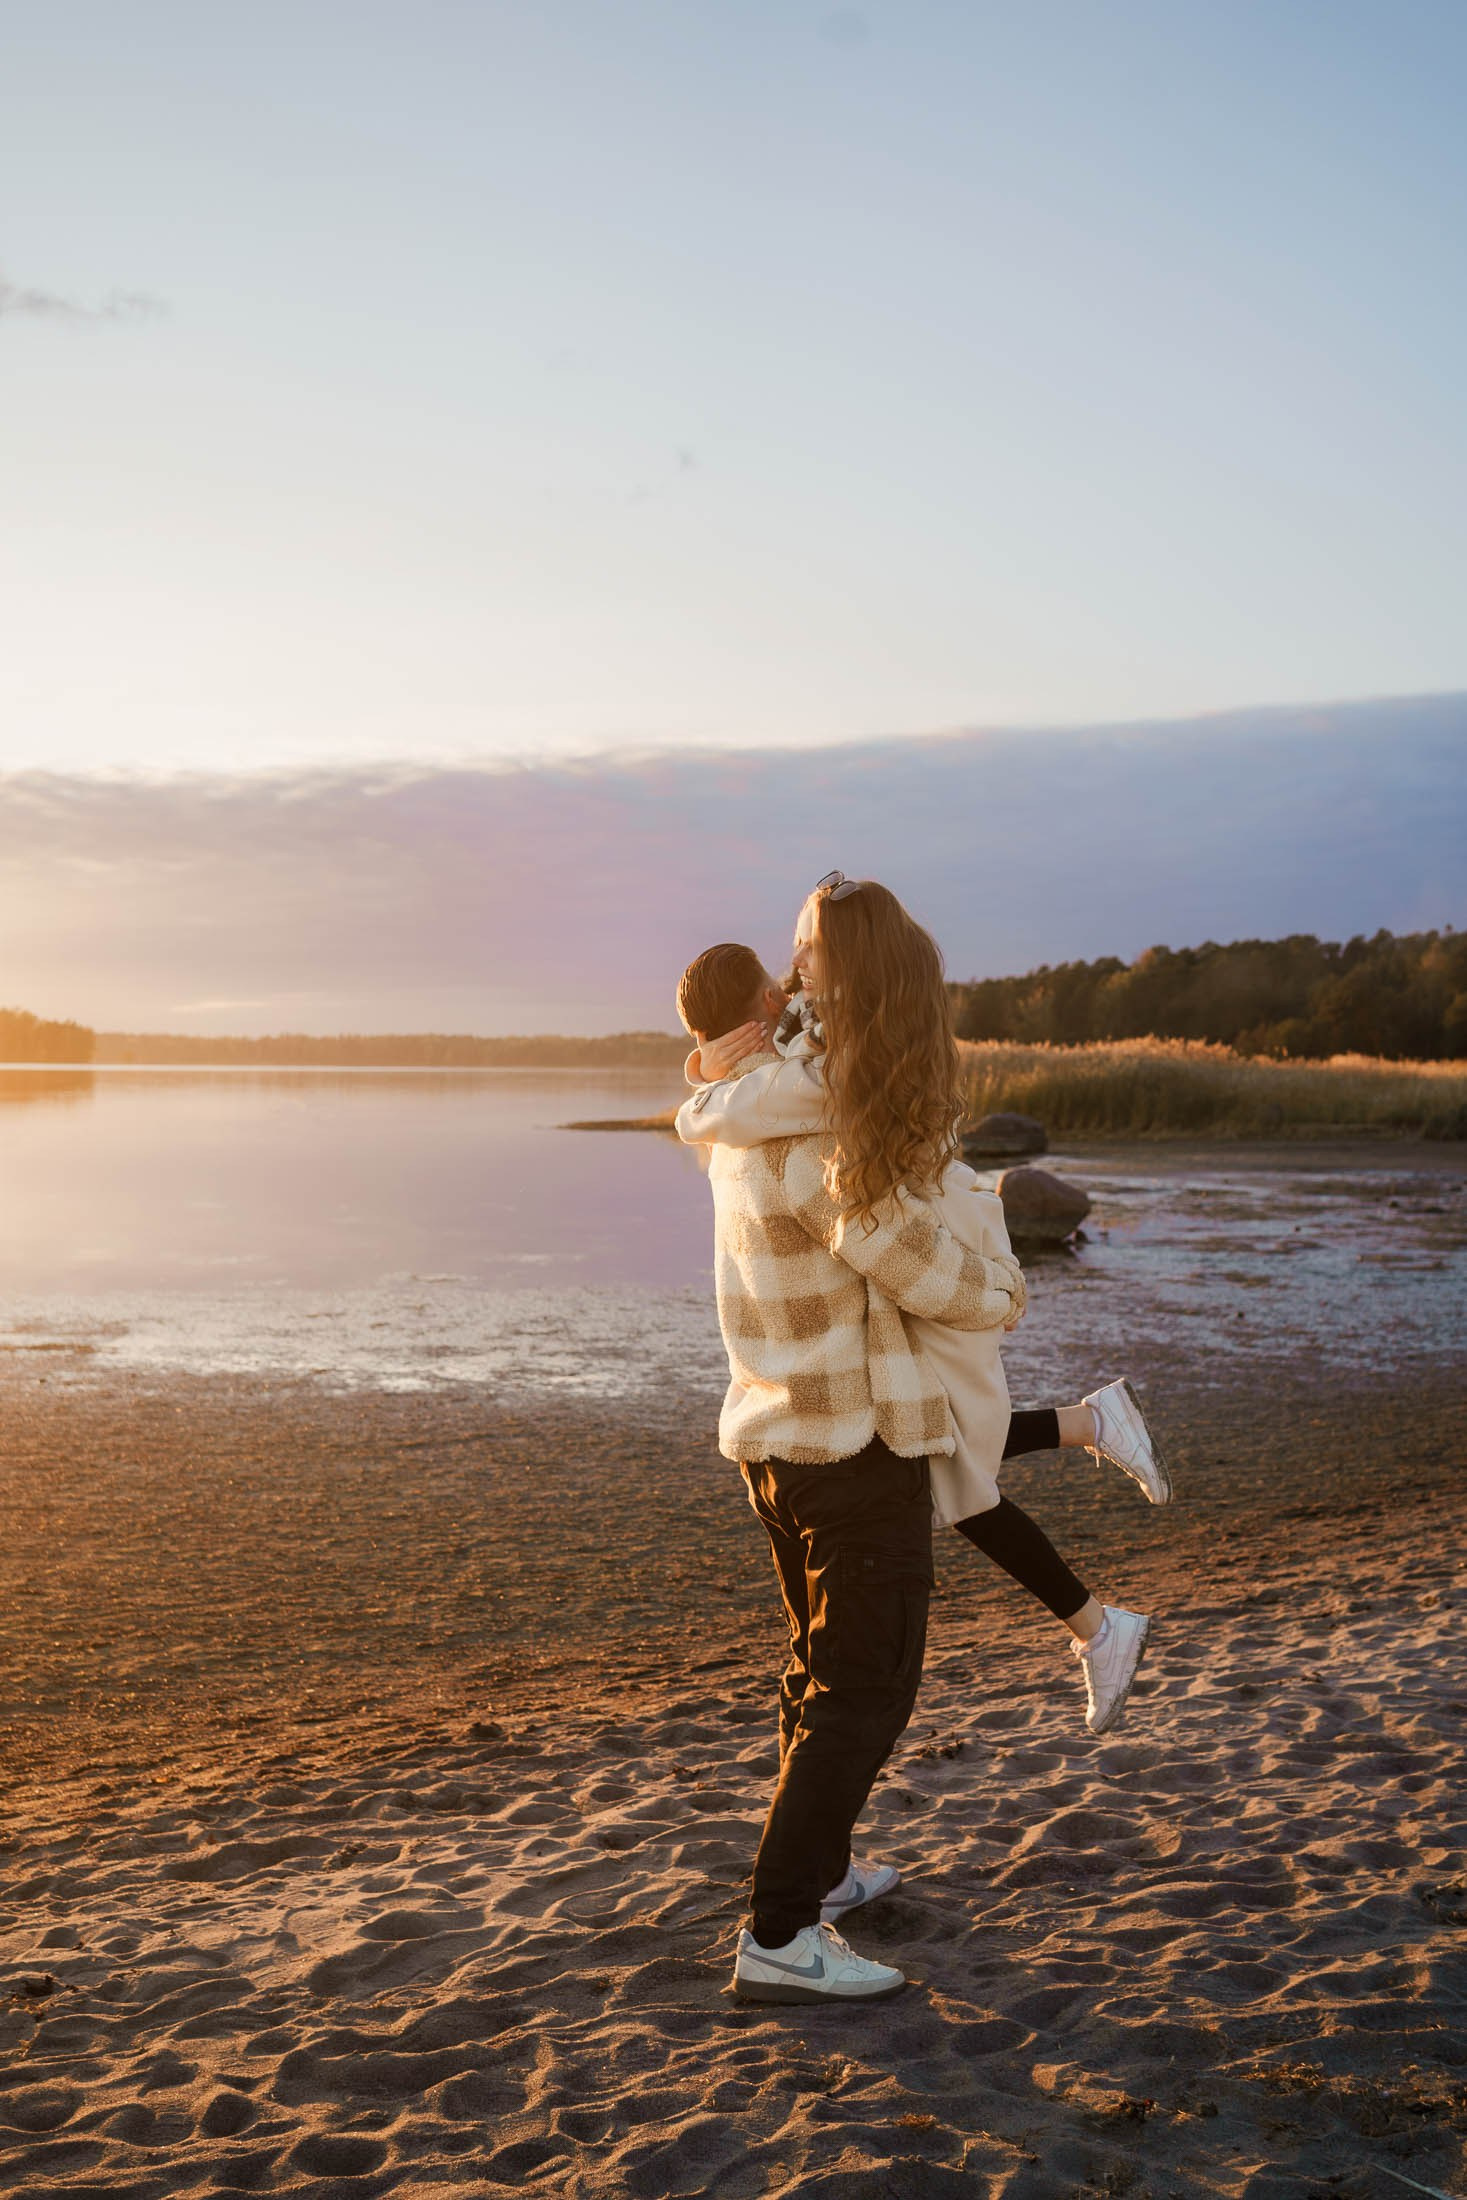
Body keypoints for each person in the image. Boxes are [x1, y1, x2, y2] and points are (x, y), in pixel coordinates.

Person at [675, 894, 1166, 1742]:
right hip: (926, 1242)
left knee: (950, 1465)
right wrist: (711, 1078)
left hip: (937, 1243)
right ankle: (1093, 1497)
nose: (792, 970)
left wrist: (696, 1103)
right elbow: (747, 1085)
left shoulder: (830, 1074)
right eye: (786, 955)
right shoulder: (845, 1037)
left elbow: (748, 1113)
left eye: (804, 951)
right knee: (946, 1450)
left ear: (848, 961)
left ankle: (1097, 1593)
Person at [671, 929, 1028, 2004]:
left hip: (776, 1442)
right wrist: (1004, 1289)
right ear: (755, 1014)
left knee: (817, 1675)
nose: (798, 1009)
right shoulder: (800, 1134)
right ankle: (778, 1933)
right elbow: (906, 1260)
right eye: (784, 996)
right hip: (849, 1449)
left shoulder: (738, 1120)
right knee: (864, 1691)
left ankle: (818, 1882)